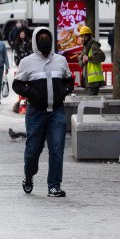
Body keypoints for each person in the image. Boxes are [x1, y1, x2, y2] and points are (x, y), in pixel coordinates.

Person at [14, 27, 74, 197]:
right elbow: (17, 85)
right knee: (33, 150)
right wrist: (33, 93)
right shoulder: (27, 62)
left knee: (56, 148)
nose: (45, 40)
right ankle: (28, 175)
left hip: (56, 112)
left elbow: (69, 80)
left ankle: (54, 186)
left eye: (47, 37)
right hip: (35, 113)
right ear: (35, 41)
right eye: (41, 38)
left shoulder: (60, 60)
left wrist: (65, 90)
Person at [77, 25, 106, 95]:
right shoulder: (84, 47)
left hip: (93, 81)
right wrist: (83, 61)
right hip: (87, 80)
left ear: (89, 36)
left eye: (85, 36)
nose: (83, 38)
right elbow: (80, 61)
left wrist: (89, 58)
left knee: (91, 101)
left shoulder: (93, 45)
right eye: (82, 36)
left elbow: (102, 57)